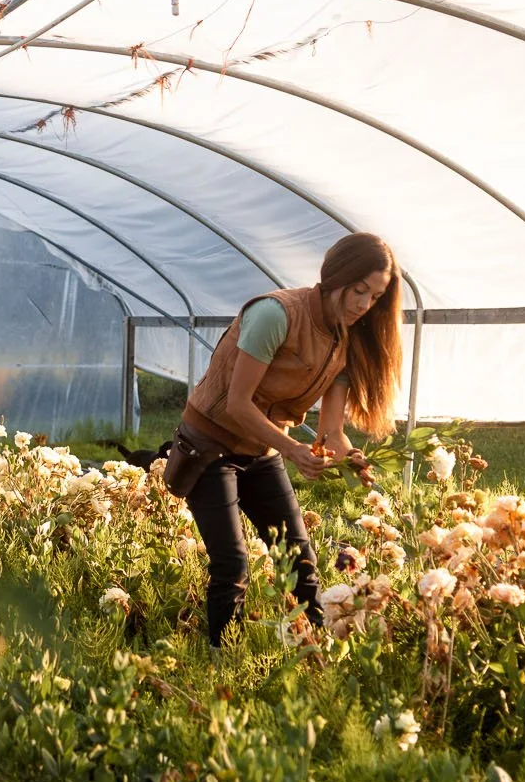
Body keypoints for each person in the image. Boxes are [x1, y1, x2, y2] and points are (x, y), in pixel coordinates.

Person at [168, 232, 403, 647]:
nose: (364, 305)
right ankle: (224, 660)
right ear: (335, 276)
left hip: (261, 449)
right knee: (233, 565)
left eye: (375, 297)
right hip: (210, 445)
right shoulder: (276, 315)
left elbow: (331, 432)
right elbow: (239, 404)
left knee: (300, 561)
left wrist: (350, 459)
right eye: (359, 290)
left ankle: (316, 654)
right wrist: (294, 449)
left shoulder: (344, 341)